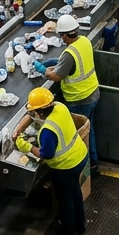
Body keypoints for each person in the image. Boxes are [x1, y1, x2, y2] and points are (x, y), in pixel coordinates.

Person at [15, 87, 88, 235]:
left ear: (41, 112)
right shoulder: (60, 107)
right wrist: (19, 128)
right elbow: (31, 115)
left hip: (66, 167)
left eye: (35, 111)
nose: (34, 114)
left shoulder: (48, 131)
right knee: (75, 191)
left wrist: (26, 146)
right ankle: (80, 226)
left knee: (65, 200)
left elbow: (46, 154)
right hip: (80, 155)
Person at [34, 15, 100, 172]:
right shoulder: (84, 41)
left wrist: (44, 70)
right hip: (93, 93)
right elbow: (73, 63)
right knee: (88, 130)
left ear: (64, 35)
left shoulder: (69, 54)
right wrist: (57, 62)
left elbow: (57, 76)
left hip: (79, 99)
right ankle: (94, 163)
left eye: (61, 35)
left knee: (76, 135)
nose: (61, 39)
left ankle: (83, 169)